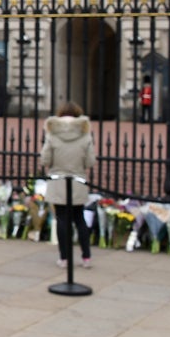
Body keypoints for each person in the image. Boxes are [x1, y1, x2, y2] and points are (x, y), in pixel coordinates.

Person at [39, 101, 96, 269]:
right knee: (79, 219)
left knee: (62, 219)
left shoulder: (52, 135)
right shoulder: (85, 135)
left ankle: (64, 257)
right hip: (77, 179)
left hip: (58, 179)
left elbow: (45, 159)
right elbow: (90, 161)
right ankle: (86, 257)